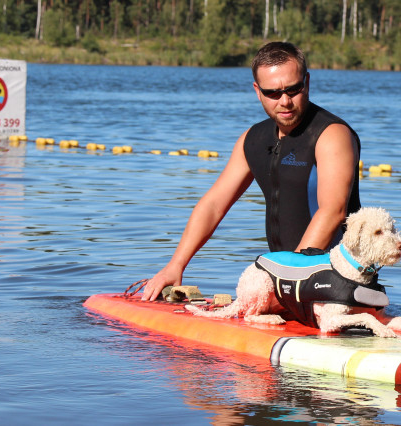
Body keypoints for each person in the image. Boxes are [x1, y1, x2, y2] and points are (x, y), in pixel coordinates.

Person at [140, 41, 362, 301]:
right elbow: (214, 205)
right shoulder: (253, 139)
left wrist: (287, 278)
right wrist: (175, 265)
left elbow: (332, 211)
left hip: (337, 281)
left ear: (307, 82)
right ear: (257, 91)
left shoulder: (331, 135)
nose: (285, 101)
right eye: (273, 93)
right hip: (289, 282)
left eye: (294, 89)